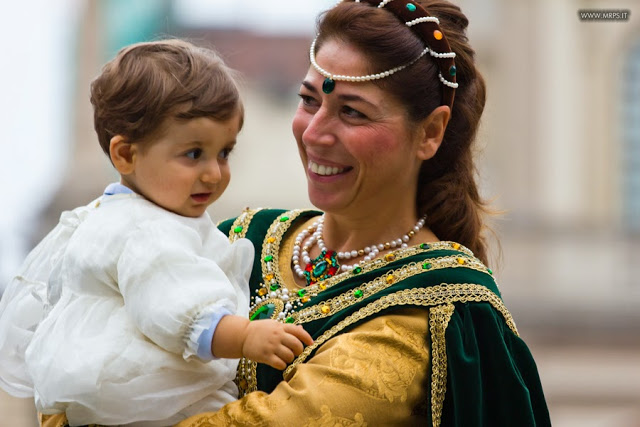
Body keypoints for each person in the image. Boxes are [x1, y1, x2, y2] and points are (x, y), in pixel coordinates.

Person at [172, 0, 551, 426]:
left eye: (352, 112)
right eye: (309, 100)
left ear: (429, 132)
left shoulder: (427, 309)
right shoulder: (244, 238)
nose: (314, 133)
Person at [0, 39, 312, 426]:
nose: (214, 173)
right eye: (194, 154)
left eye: (224, 153)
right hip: (153, 404)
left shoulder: (117, 215)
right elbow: (179, 309)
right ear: (126, 155)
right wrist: (246, 337)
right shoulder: (145, 230)